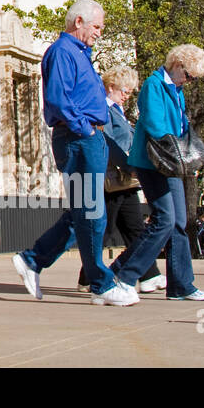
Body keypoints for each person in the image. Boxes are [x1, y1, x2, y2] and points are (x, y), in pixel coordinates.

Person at [12, 0, 137, 306]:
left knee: (85, 212)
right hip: (79, 139)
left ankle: (33, 260)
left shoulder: (78, 53)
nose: (100, 32)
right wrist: (85, 129)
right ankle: (101, 284)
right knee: (92, 212)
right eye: (97, 26)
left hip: (86, 139)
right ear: (79, 21)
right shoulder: (63, 52)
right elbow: (57, 100)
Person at [110, 44, 204, 301]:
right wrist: (177, 149)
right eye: (189, 75)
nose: (189, 81)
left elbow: (182, 125)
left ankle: (181, 285)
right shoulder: (153, 85)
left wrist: (187, 156)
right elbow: (155, 125)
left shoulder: (176, 90)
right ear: (178, 65)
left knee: (178, 223)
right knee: (165, 220)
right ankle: (123, 275)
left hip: (172, 164)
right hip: (152, 163)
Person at [76, 66, 164, 292]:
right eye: (125, 90)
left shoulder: (118, 111)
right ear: (111, 86)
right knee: (104, 231)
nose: (127, 95)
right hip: (111, 179)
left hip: (124, 181)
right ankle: (89, 277)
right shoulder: (103, 110)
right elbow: (109, 143)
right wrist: (129, 165)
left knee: (134, 229)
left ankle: (148, 274)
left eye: (131, 91)